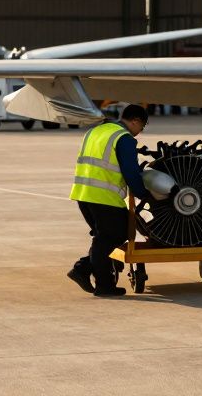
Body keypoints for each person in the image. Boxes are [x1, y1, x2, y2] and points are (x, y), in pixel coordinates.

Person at [67, 105, 152, 297]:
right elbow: (131, 172)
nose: (140, 132)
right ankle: (96, 279)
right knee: (116, 234)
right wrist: (144, 193)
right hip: (103, 197)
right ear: (135, 121)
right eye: (142, 127)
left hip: (83, 193)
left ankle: (88, 272)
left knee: (103, 238)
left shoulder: (96, 131)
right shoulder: (124, 139)